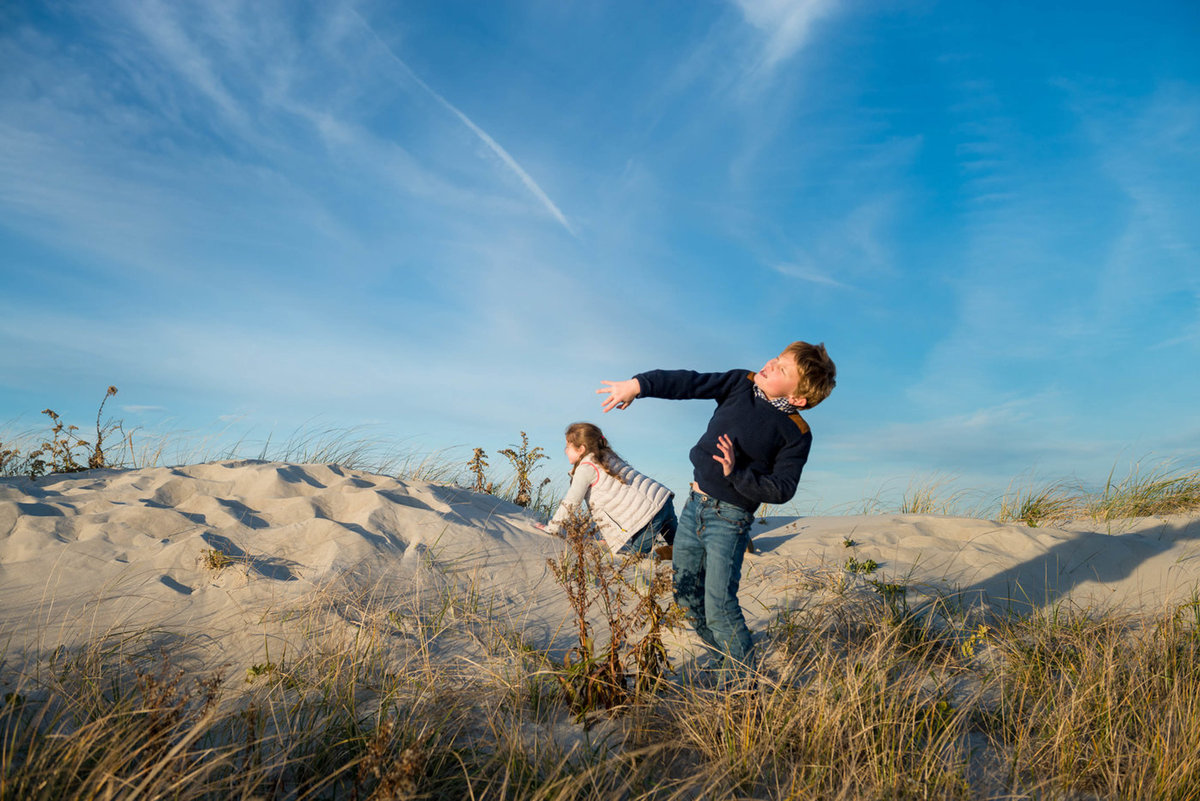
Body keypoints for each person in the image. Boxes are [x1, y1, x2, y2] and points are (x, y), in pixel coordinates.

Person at [596, 342, 836, 673]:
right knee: (686, 597)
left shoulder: (796, 433)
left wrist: (737, 473)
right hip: (694, 507)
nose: (770, 363)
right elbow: (690, 383)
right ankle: (728, 662)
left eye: (782, 368)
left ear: (797, 398)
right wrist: (639, 385)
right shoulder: (741, 383)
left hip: (731, 520)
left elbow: (783, 488)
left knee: (720, 606)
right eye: (776, 358)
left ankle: (744, 692)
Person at [538, 422, 677, 556]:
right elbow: (616, 500)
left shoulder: (586, 468)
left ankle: (662, 556)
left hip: (648, 515)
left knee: (636, 561)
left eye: (568, 446)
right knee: (682, 548)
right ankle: (674, 554)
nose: (565, 450)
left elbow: (571, 502)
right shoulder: (607, 456)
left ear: (581, 449)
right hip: (662, 499)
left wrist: (552, 528)